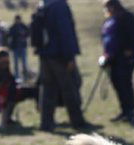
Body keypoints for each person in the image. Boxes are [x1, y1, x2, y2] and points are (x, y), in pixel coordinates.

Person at [33, 0, 92, 132]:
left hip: (44, 54)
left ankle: (46, 123)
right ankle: (77, 122)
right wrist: (70, 56)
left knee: (47, 89)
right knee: (70, 87)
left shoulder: (43, 5)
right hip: (60, 54)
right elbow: (65, 31)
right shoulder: (60, 6)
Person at [101, 0, 134, 124]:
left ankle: (130, 112)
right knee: (117, 83)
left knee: (125, 83)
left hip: (125, 56)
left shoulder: (126, 17)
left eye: (109, 6)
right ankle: (124, 111)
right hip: (112, 57)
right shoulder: (109, 20)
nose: (108, 9)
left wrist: (128, 49)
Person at [8, 14, 30, 79]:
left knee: (24, 63)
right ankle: (16, 77)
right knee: (16, 63)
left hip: (23, 47)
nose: (18, 21)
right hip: (15, 47)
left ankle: (25, 76)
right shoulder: (13, 27)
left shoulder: (24, 26)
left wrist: (23, 34)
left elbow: (28, 33)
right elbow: (9, 35)